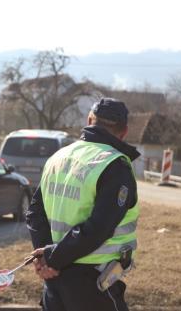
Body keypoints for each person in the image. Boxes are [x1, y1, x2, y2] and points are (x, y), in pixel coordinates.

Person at [26, 98, 140, 311]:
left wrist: (46, 259)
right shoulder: (115, 165)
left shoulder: (58, 157)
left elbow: (34, 214)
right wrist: (50, 257)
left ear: (89, 120)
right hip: (92, 281)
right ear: (124, 131)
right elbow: (98, 228)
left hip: (55, 280)